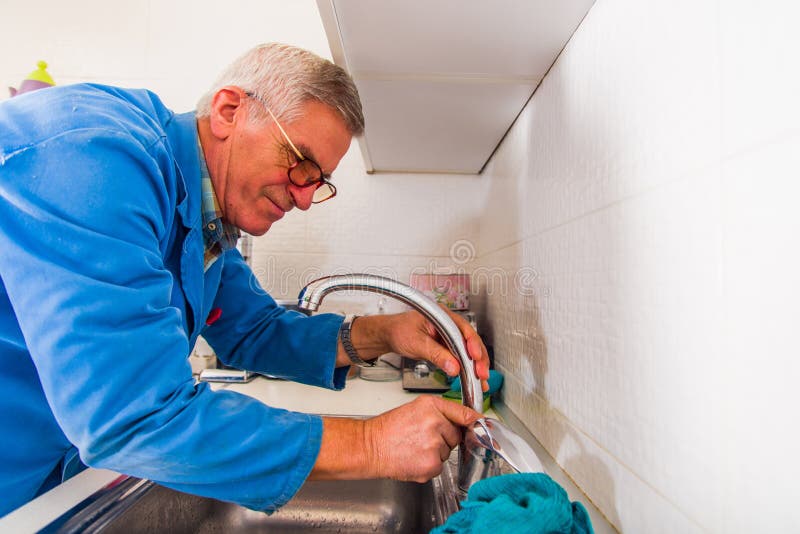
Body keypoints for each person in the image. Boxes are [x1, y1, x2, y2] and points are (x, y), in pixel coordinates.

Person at [0, 43, 490, 517]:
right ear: (230, 110)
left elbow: (254, 330)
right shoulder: (95, 157)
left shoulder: (200, 213)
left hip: (42, 481)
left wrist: (385, 333)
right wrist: (370, 443)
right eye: (299, 162)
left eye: (318, 182)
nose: (303, 198)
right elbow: (137, 415)